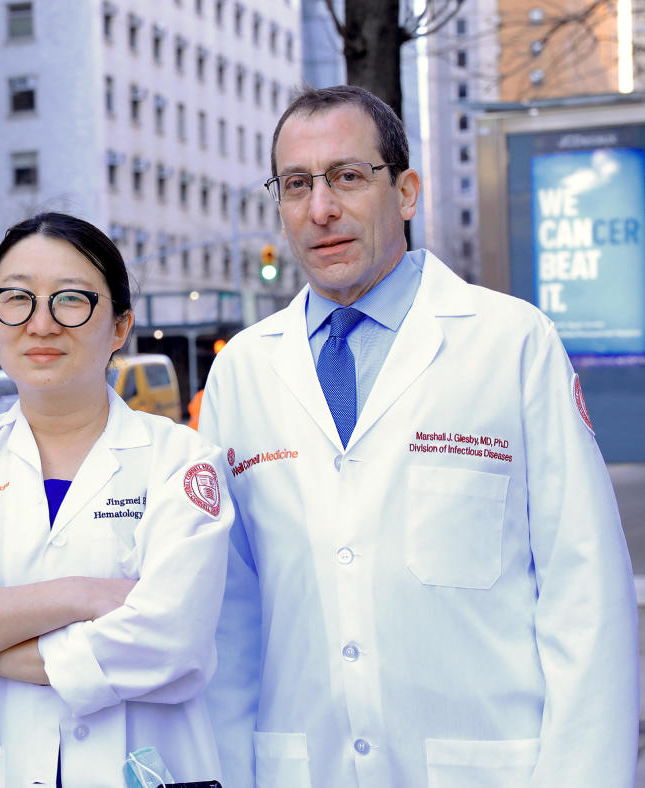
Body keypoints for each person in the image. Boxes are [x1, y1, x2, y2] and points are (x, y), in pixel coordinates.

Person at [199, 84, 639, 786]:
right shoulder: (243, 372)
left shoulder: (510, 344)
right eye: (296, 185)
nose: (321, 209)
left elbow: (584, 592)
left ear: (406, 192)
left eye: (347, 177)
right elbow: (228, 617)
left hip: (490, 766)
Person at [0, 212, 232, 788]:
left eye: (71, 300)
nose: (40, 323)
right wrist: (81, 595)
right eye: (16, 298)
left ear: (119, 327)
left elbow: (170, 641)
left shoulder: (181, 463)